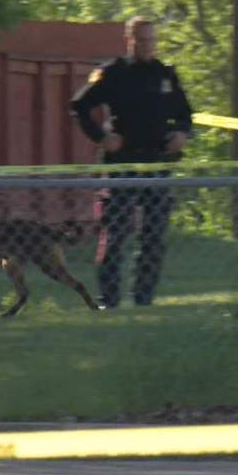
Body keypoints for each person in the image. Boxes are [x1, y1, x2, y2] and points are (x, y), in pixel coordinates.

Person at [70, 16, 194, 307]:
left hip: (156, 164)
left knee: (154, 236)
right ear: (130, 40)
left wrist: (181, 133)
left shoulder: (166, 75)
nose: (148, 45)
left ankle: (144, 298)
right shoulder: (112, 73)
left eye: (152, 40)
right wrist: (101, 136)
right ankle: (109, 298)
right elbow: (80, 106)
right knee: (114, 234)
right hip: (122, 164)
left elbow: (186, 115)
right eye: (142, 40)